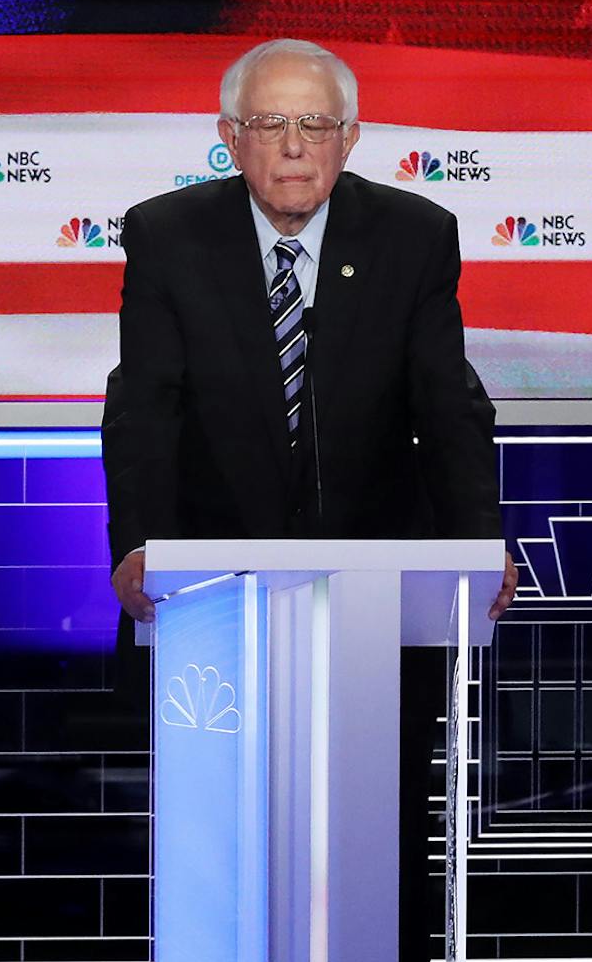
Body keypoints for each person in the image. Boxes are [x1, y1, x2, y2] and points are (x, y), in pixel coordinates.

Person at [100, 37, 516, 620]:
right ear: (231, 139)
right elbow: (143, 409)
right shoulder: (168, 238)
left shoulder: (413, 238)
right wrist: (142, 544)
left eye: (316, 126)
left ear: (349, 140)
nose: (294, 147)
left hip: (373, 575)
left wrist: (475, 542)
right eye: (269, 124)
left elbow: (449, 406)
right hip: (211, 574)